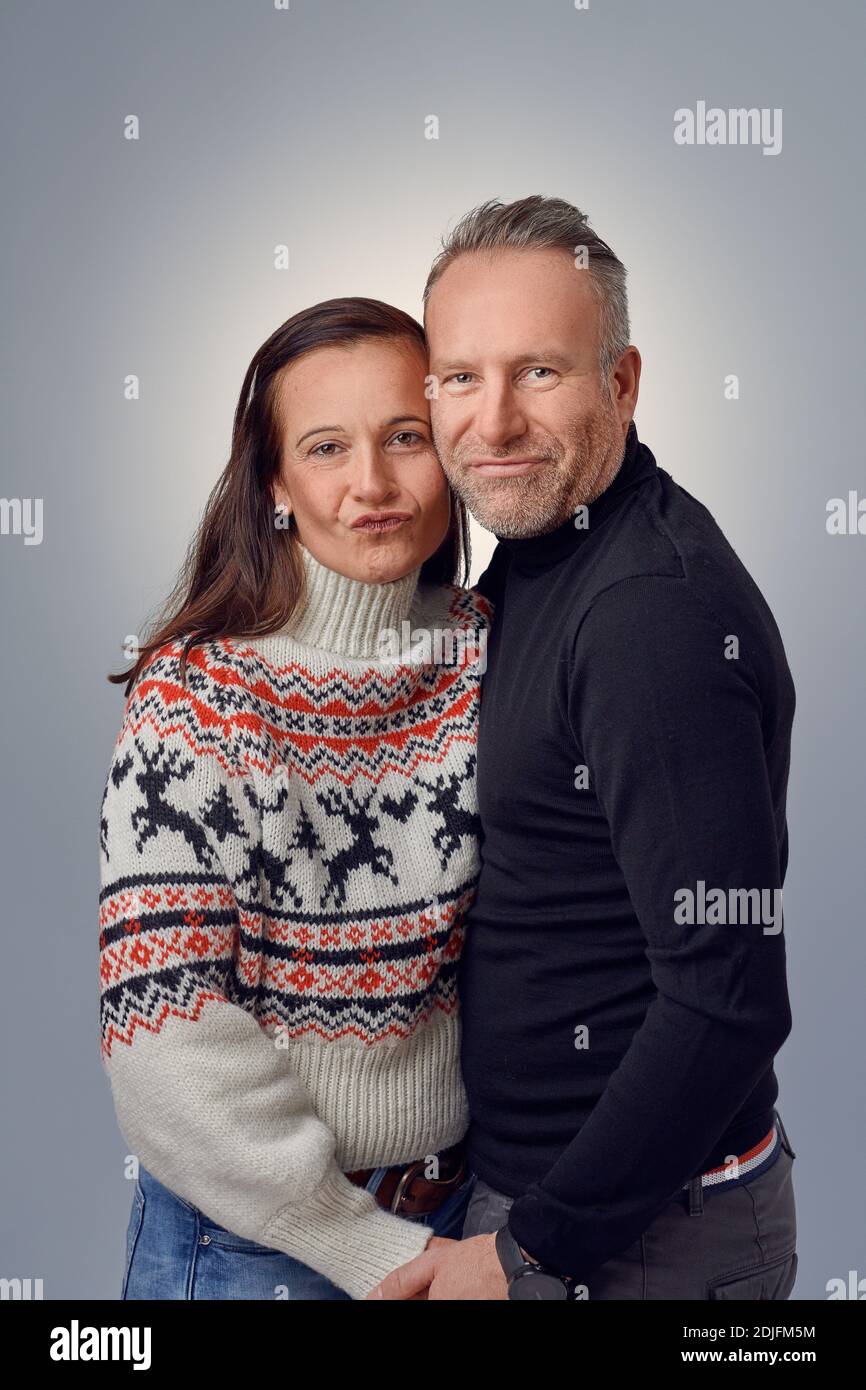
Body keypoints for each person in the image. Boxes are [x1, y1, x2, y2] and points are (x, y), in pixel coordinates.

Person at [371, 196, 797, 1301]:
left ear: (621, 382)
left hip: (637, 1239)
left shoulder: (646, 616)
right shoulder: (536, 551)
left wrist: (529, 1252)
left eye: (540, 373)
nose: (493, 421)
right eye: (461, 378)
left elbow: (727, 994)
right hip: (561, 1210)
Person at [98, 297, 491, 1300]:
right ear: (275, 481)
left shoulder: (490, 651)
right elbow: (165, 1039)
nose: (371, 484)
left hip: (462, 1215)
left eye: (405, 437)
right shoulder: (198, 697)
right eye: (325, 448)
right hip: (256, 1244)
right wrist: (360, 1244)